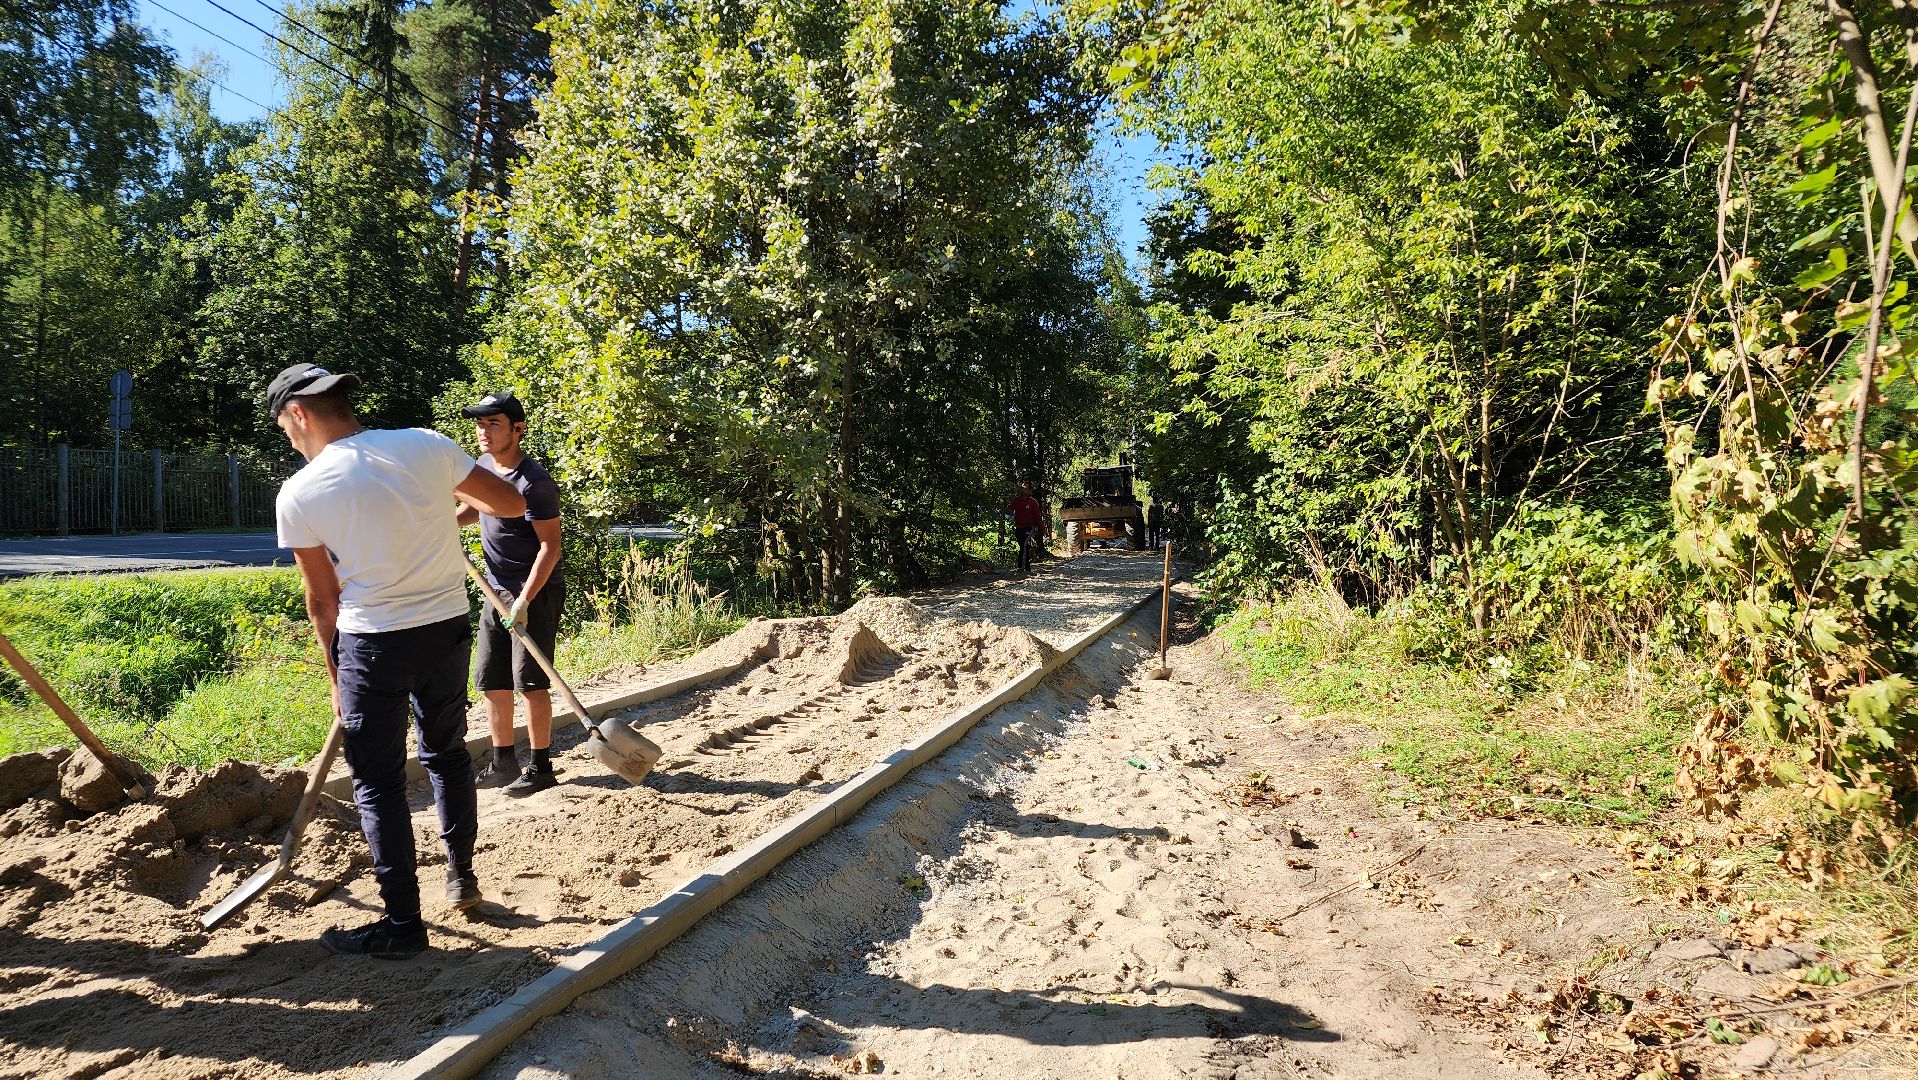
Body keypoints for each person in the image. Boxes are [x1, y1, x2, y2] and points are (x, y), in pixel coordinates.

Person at [269, 362, 526, 959]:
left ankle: (403, 927)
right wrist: (441, 507)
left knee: (378, 782)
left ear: (299, 414)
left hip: (372, 643)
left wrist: (339, 680)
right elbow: (510, 505)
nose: (288, 436)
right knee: (446, 750)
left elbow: (322, 600)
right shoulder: (425, 445)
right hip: (444, 629)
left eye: (284, 426)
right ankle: (461, 875)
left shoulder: (300, 492)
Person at [457, 391, 565, 797]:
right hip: (495, 589)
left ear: (518, 429)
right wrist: (448, 525)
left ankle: (541, 767)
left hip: (533, 591)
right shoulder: (483, 467)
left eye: (494, 424)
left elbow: (550, 548)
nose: (484, 432)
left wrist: (524, 602)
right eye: (481, 424)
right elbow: (477, 509)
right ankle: (503, 762)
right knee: (491, 680)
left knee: (531, 682)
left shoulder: (533, 483)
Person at [1006, 482, 1044, 573]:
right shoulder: (1016, 500)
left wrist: (1041, 528)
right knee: (1023, 546)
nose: (1024, 490)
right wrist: (1010, 513)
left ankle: (1022, 567)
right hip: (1019, 527)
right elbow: (1009, 509)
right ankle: (1026, 567)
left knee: (1024, 544)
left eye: (1026, 488)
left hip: (1029, 527)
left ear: (1030, 491)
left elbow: (1038, 516)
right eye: (1023, 488)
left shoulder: (1032, 502)